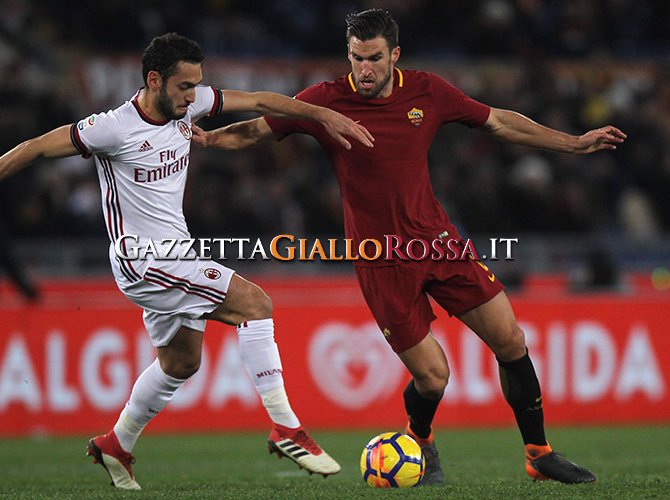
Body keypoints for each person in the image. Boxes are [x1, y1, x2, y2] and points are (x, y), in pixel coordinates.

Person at [193, 9, 627, 485]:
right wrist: (210, 140)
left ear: (394, 54)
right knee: (434, 377)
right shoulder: (325, 102)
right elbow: (257, 129)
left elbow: (498, 122)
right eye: (356, 58)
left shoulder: (427, 91)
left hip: (438, 242)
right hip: (381, 262)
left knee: (511, 340)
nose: (364, 69)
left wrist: (573, 143)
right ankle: (420, 442)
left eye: (374, 58)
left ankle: (539, 454)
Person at [0, 33, 374, 491]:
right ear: (155, 80)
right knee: (256, 303)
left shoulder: (192, 105)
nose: (194, 95)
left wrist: (323, 114)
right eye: (185, 86)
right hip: (143, 260)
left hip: (176, 254)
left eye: (197, 85)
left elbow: (262, 100)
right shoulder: (112, 128)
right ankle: (286, 426)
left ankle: (116, 443)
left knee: (181, 362)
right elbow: (35, 146)